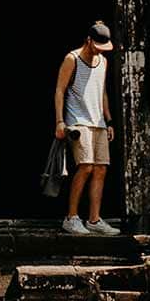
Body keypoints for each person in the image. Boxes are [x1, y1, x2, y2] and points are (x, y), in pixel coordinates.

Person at [54, 20, 119, 236]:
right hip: (78, 120)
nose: (100, 51)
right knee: (86, 166)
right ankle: (71, 218)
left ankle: (94, 219)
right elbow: (60, 90)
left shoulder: (103, 62)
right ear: (89, 40)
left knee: (101, 168)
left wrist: (108, 121)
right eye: (97, 45)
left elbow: (102, 93)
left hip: (98, 120)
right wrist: (59, 121)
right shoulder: (72, 59)